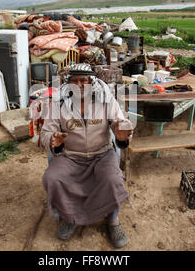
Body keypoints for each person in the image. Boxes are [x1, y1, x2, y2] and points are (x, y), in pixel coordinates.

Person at [41, 63, 133, 248]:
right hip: (71, 156)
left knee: (113, 179)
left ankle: (113, 220)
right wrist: (53, 140)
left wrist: (121, 134)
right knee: (52, 178)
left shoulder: (106, 100)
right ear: (69, 84)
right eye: (74, 81)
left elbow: (119, 123)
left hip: (101, 154)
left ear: (92, 82)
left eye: (84, 80)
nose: (79, 84)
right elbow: (45, 132)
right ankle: (70, 217)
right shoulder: (58, 103)